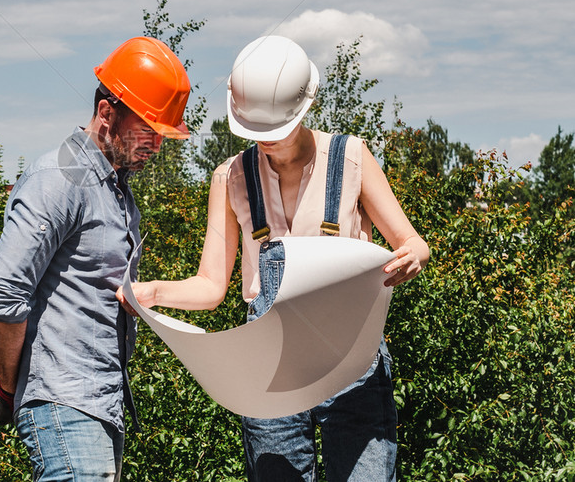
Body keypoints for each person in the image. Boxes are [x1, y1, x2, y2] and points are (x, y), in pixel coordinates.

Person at [117, 35, 429, 482]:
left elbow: (414, 243)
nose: (264, 142)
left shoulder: (352, 158)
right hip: (270, 364)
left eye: (274, 131)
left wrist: (411, 258)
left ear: (305, 108)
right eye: (254, 133)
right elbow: (210, 286)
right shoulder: (230, 177)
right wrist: (153, 291)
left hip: (353, 363)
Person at [0, 36, 191, 481]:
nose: (156, 146)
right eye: (147, 131)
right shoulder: (60, 177)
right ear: (106, 114)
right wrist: (8, 384)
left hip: (98, 404)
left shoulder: (115, 189)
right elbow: (1, 297)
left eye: (162, 135)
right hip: (67, 405)